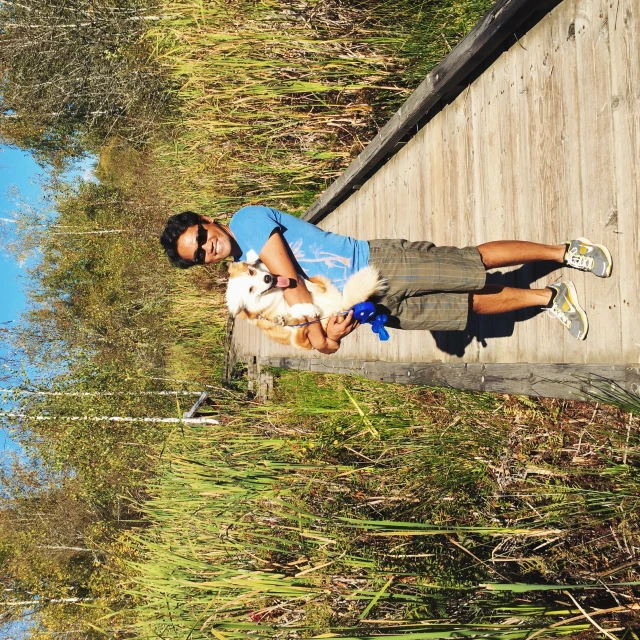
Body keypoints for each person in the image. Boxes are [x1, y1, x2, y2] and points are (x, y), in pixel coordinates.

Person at [159, 206, 612, 354]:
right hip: (370, 305)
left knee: (472, 264)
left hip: (375, 263)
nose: (207, 248)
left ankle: (564, 251)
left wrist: (315, 320)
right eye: (198, 254)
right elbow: (312, 340)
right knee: (466, 307)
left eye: (201, 237)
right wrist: (329, 335)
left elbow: (290, 278)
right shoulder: (243, 289)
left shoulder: (247, 221)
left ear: (207, 221)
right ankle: (549, 296)